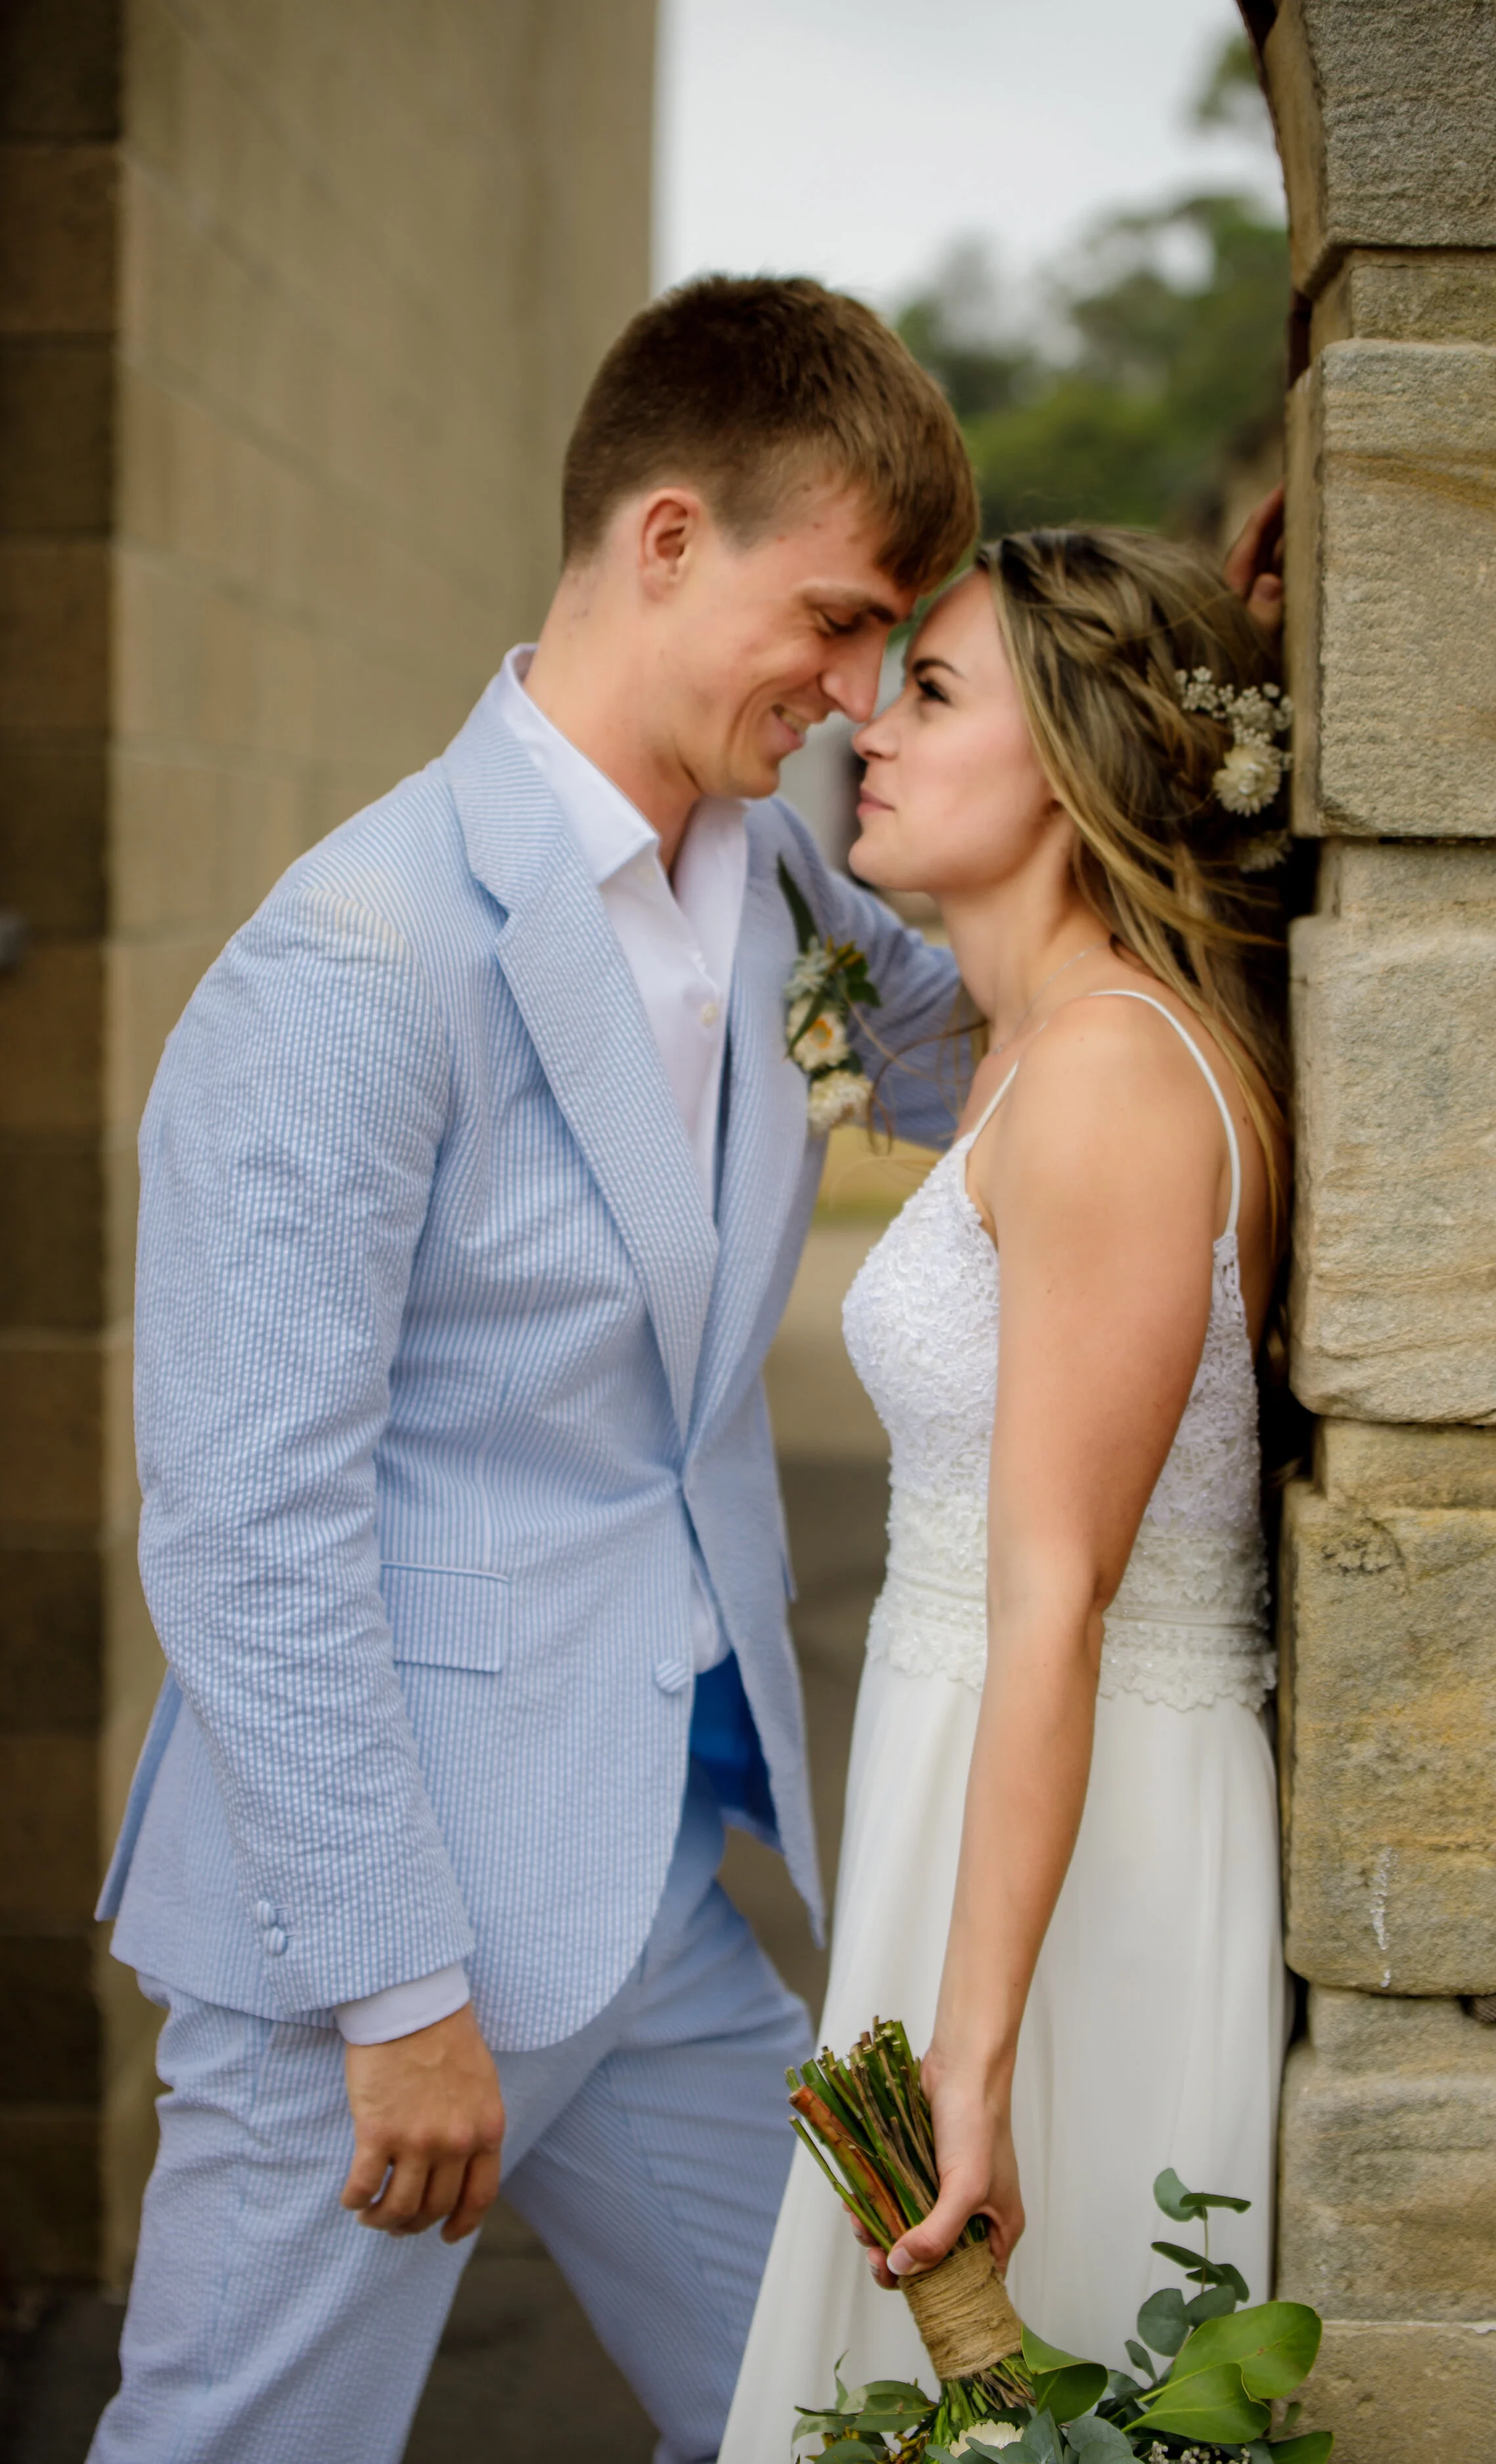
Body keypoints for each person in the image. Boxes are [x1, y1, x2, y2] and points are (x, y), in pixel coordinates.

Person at [87, 275, 980, 2464]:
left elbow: (984, 1040)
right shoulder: (353, 959)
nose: (858, 693)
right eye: (840, 620)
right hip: (384, 1929)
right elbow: (246, 1518)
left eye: (891, 650)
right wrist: (393, 1997)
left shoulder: (778, 861)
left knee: (845, 2415)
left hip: (658, 1880)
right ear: (666, 537)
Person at [721, 515, 1291, 2458]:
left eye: (934, 690)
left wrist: (972, 2062)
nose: (866, 722)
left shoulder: (1117, 1080)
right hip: (979, 1800)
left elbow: (1058, 1594)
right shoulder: (1018, 1047)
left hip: (1084, 1851)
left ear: (1073, 759)